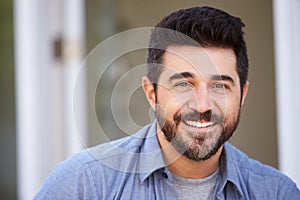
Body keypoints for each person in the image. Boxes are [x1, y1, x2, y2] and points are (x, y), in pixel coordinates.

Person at [34, 6, 300, 199]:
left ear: (242, 95)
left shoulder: (276, 192)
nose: (203, 105)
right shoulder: (85, 183)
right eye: (183, 84)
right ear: (152, 94)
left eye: (219, 85)